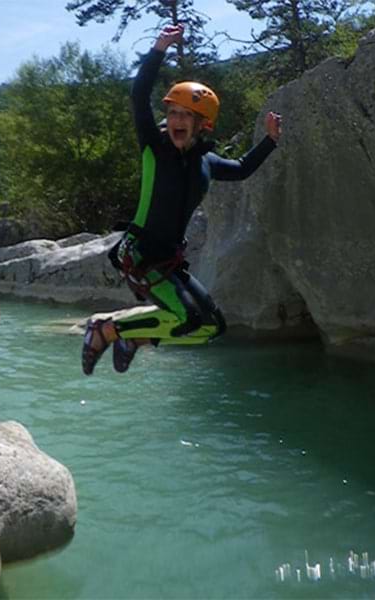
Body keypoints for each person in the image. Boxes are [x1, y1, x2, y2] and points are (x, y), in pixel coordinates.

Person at [81, 23, 282, 375]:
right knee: (187, 317)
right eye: (173, 112)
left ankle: (134, 339)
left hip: (169, 259)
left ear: (202, 123)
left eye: (186, 115)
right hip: (140, 253)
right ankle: (107, 330)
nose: (176, 120)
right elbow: (139, 95)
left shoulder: (206, 162)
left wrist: (270, 140)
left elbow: (242, 169)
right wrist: (158, 49)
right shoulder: (154, 147)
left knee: (211, 327)